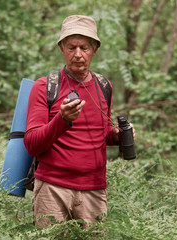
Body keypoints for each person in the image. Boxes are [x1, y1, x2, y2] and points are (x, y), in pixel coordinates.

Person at [24, 15, 135, 228]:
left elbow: (100, 132)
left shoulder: (104, 85)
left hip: (94, 191)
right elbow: (31, 144)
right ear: (61, 49)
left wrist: (117, 136)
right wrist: (62, 120)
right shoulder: (44, 87)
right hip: (52, 189)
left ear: (94, 50)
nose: (77, 54)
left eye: (84, 48)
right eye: (71, 47)